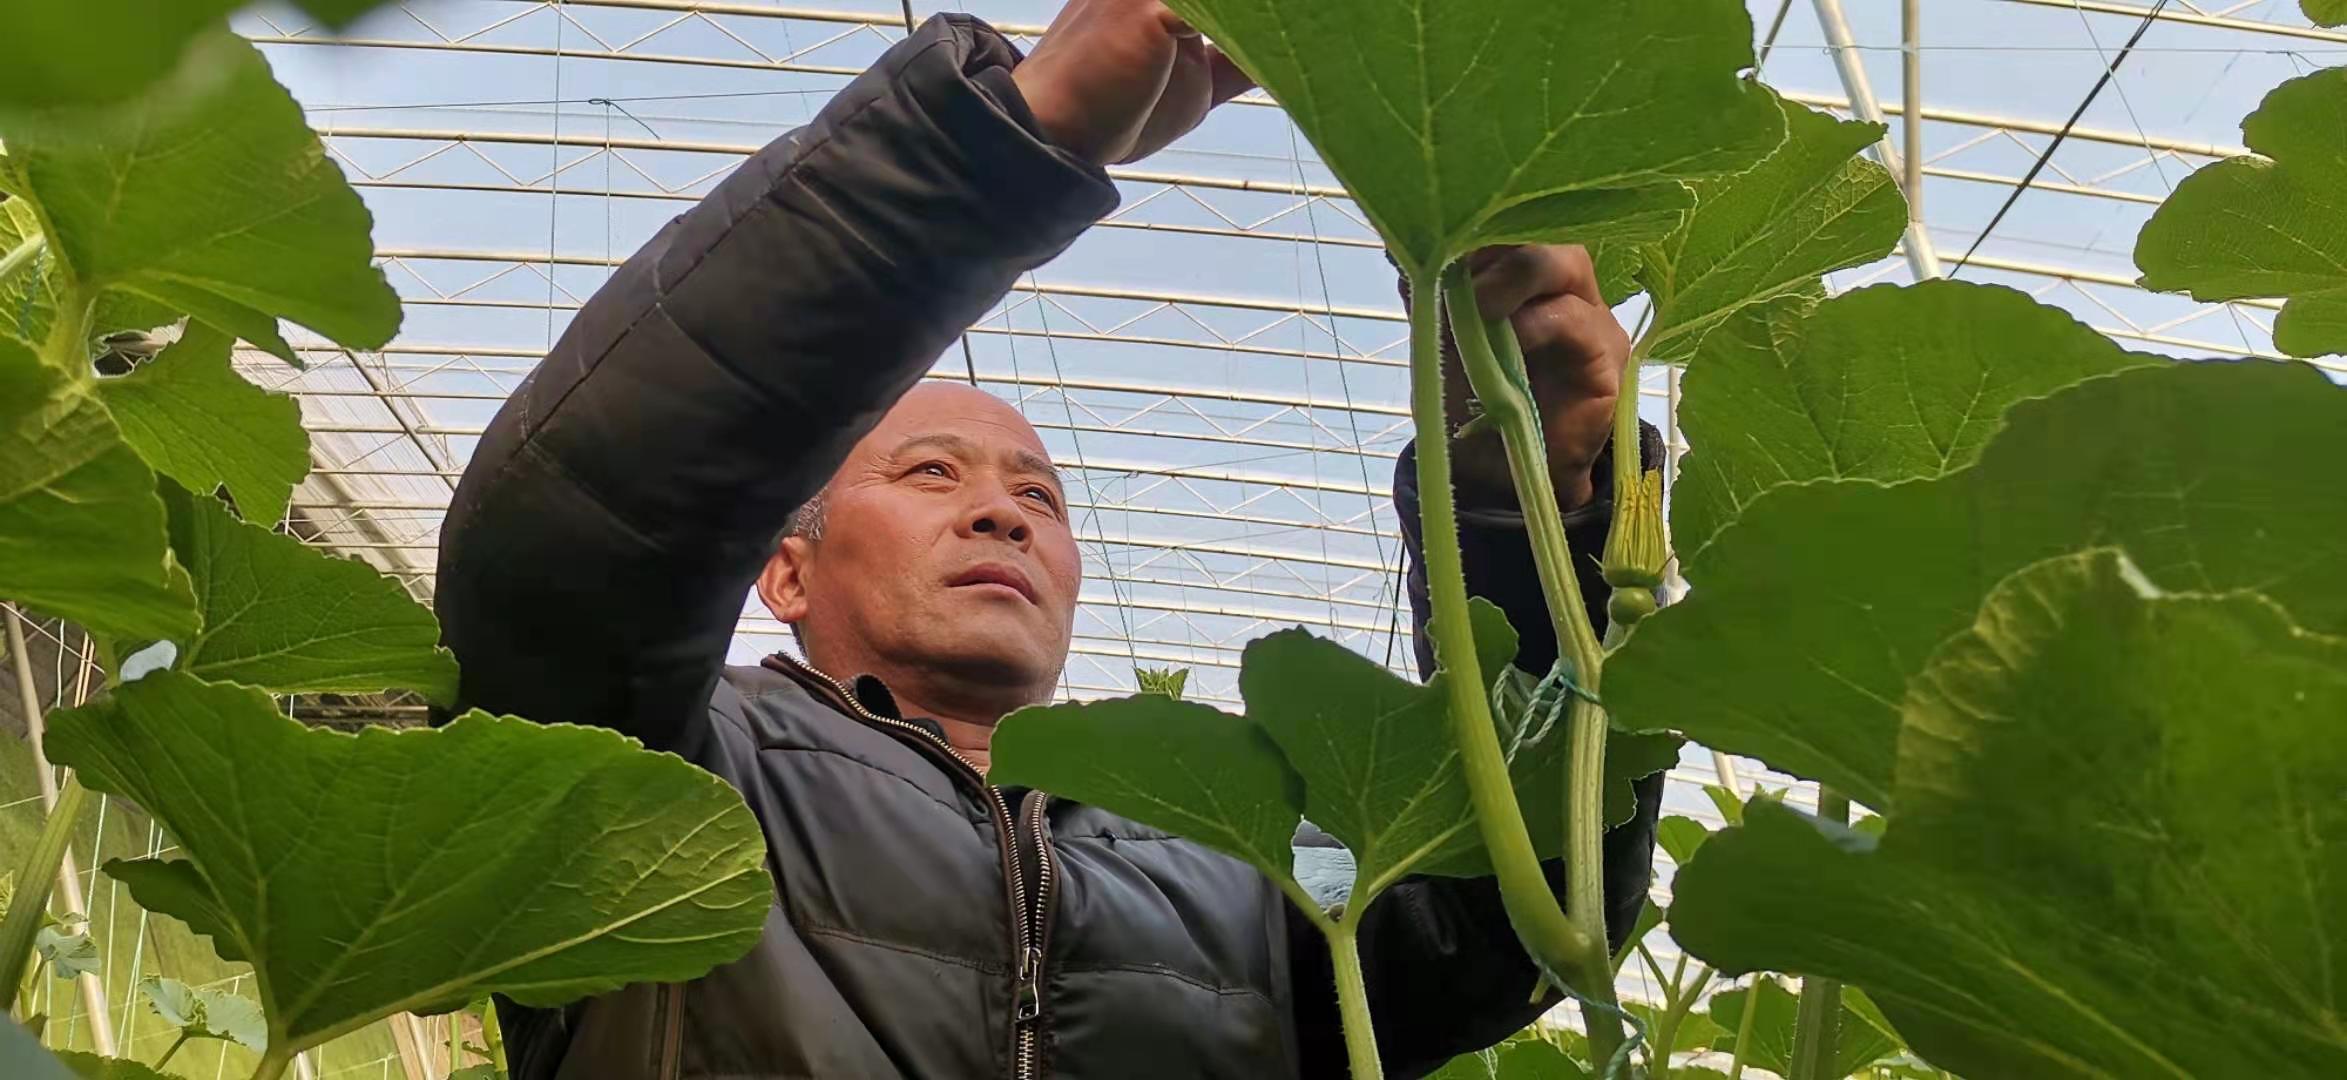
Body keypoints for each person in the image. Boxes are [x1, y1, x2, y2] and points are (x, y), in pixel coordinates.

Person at [435, 2, 1662, 1077]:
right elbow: (568, 550)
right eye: (928, 472)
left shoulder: (1245, 859)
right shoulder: (678, 770)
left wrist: (1536, 495)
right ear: (786, 566)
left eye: (1044, 498)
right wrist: (1007, 143)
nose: (1001, 510)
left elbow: (1508, 923)